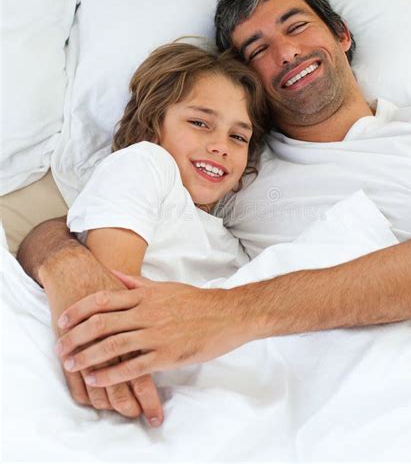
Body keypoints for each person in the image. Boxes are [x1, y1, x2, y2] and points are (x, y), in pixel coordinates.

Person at [18, 0, 411, 423]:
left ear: (341, 34)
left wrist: (231, 313)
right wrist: (68, 266)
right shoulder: (236, 165)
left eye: (296, 27)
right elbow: (103, 209)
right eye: (258, 50)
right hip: (309, 384)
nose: (286, 52)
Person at [17, 42, 269, 427]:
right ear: (153, 124)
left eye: (238, 137)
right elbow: (106, 299)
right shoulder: (146, 164)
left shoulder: (230, 241)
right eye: (200, 123)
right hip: (136, 375)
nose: (220, 146)